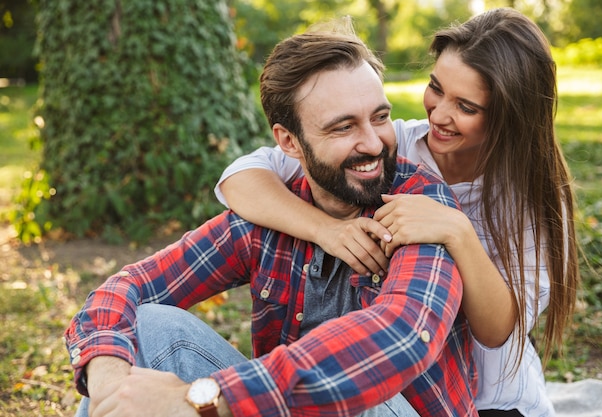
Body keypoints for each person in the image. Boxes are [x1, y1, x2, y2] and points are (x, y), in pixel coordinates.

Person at [65, 20, 479, 417]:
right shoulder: (273, 215)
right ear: (289, 142)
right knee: (150, 324)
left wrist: (199, 401)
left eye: (380, 117)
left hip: (388, 408)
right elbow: (128, 286)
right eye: (342, 128)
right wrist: (107, 381)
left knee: (352, 383)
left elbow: (401, 337)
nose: (372, 143)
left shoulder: (420, 204)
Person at [216, 8, 579, 417]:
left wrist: (457, 231)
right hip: (397, 385)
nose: (439, 114)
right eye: (436, 88)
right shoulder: (390, 145)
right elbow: (240, 178)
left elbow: (498, 332)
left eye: (466, 106)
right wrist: (326, 230)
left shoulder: (533, 200)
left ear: (510, 117)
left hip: (489, 403)